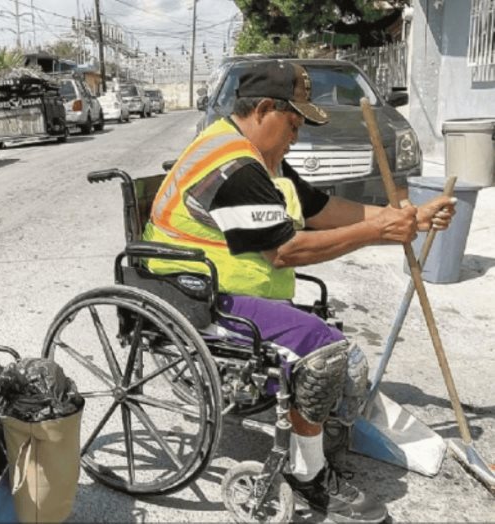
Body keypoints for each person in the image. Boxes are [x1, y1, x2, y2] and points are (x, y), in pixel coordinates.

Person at [143, 60, 455, 523]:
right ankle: (307, 476)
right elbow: (286, 251)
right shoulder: (234, 167)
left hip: (226, 282)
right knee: (324, 351)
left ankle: (310, 426)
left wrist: (405, 218)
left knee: (335, 346)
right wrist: (380, 233)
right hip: (194, 294)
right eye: (293, 123)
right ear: (265, 108)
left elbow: (319, 208)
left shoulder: (257, 153)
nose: (297, 136)